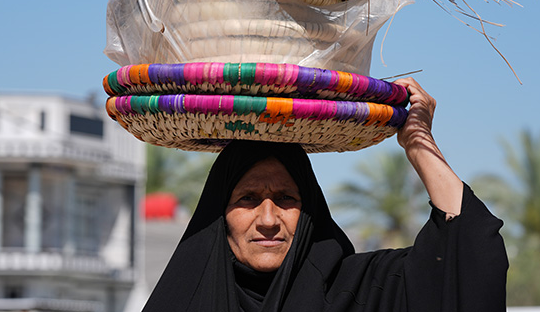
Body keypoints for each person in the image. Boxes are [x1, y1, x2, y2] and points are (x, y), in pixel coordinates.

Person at [142, 78, 508, 311]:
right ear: (219, 214)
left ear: (310, 208)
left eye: (286, 199)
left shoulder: (358, 293)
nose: (268, 220)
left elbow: (468, 253)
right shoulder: (183, 299)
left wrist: (418, 141)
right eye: (248, 199)